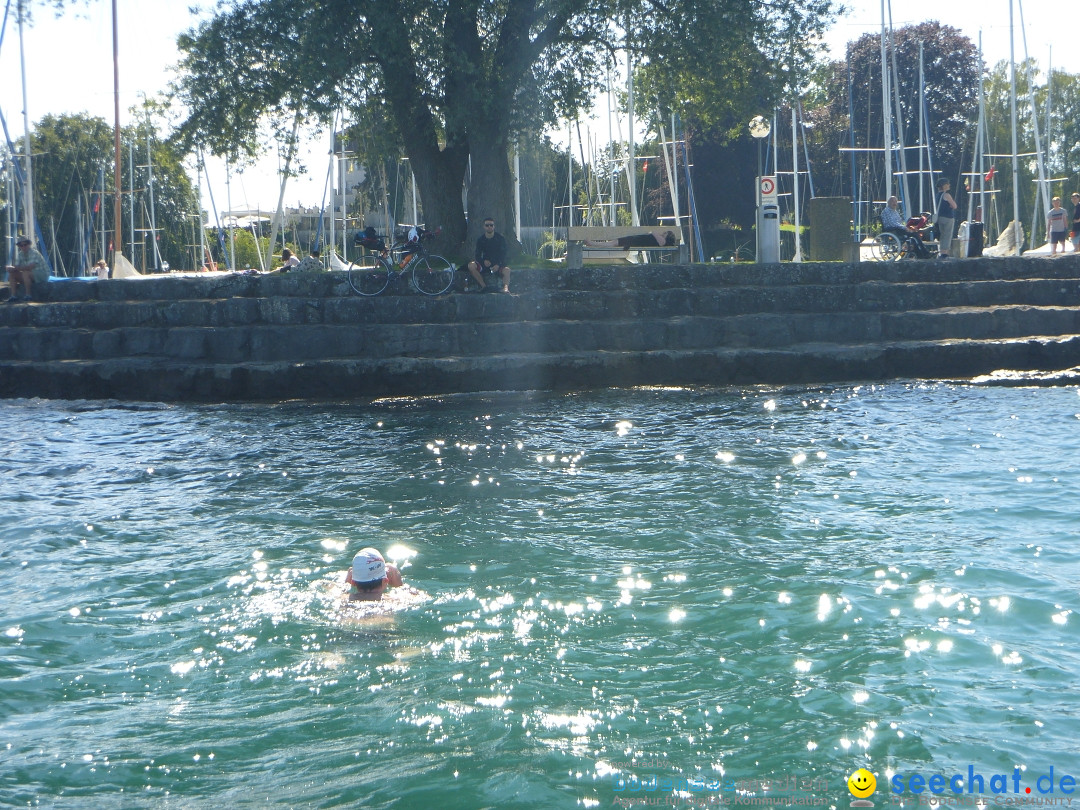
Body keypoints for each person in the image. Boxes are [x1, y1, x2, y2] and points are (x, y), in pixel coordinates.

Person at [467, 217, 511, 293]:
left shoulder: (500, 239)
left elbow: (504, 254)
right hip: (485, 264)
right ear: (484, 227)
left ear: (494, 226)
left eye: (491, 225)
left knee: (507, 270)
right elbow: (477, 255)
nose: (489, 227)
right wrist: (483, 261)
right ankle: (484, 286)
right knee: (471, 265)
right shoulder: (481, 240)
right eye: (487, 225)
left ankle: (505, 288)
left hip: (497, 263)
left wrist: (498, 264)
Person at [5, 237, 49, 303]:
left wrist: (16, 268)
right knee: (12, 274)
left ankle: (28, 295)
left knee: (25, 273)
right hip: (30, 275)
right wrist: (10, 269)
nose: (23, 247)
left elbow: (30, 267)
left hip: (42, 274)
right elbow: (17, 267)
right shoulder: (20, 254)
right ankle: (13, 296)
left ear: (29, 244)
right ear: (19, 246)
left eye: (25, 244)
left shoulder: (34, 253)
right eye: (21, 245)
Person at [934, 178, 957, 258]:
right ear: (944, 186)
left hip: (940, 218)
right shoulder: (946, 195)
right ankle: (945, 253)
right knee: (947, 235)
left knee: (942, 235)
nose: (949, 185)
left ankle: (941, 251)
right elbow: (954, 206)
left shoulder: (938, 196)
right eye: (947, 184)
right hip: (948, 217)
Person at [584, 230, 677, 250]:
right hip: (635, 241)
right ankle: (592, 243)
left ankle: (592, 243)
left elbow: (653, 232)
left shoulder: (663, 241)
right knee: (613, 243)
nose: (663, 233)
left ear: (667, 236)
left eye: (665, 233)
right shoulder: (662, 241)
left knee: (612, 243)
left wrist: (659, 233)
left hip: (634, 241)